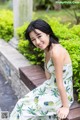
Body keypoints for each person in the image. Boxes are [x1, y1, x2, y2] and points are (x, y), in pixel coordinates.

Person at [9, 19, 74, 120]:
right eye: (33, 39)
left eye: (39, 36)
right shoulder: (48, 49)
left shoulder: (56, 52)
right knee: (21, 104)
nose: (37, 42)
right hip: (51, 86)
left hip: (62, 93)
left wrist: (65, 107)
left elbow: (60, 83)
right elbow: (48, 76)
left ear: (48, 33)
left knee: (24, 111)